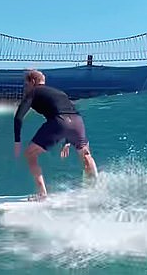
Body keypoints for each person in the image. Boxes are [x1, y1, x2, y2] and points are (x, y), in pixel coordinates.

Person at [13, 69, 97, 198]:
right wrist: (68, 142)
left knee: (30, 154)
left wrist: (17, 141)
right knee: (86, 155)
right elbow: (69, 112)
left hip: (59, 122)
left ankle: (42, 194)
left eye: (26, 84)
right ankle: (95, 190)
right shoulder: (60, 93)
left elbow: (18, 117)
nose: (25, 88)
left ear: (33, 82)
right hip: (77, 121)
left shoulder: (33, 92)